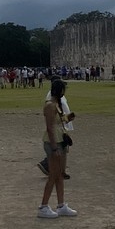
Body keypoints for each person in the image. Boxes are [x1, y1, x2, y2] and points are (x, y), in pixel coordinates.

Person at [37, 78, 77, 218]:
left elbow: (58, 122)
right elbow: (49, 127)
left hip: (60, 140)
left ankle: (61, 205)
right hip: (53, 142)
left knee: (59, 175)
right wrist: (54, 147)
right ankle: (43, 206)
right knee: (53, 175)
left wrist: (68, 118)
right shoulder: (50, 105)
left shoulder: (56, 104)